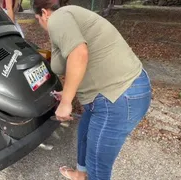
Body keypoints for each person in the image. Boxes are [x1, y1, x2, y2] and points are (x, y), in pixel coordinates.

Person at [32, 1, 152, 180]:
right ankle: (81, 174)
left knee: (98, 167)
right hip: (115, 92)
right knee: (85, 134)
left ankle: (88, 174)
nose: (40, 25)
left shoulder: (57, 18)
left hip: (117, 96)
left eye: (37, 20)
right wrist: (67, 93)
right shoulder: (69, 15)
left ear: (44, 13)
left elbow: (79, 54)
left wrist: (65, 104)